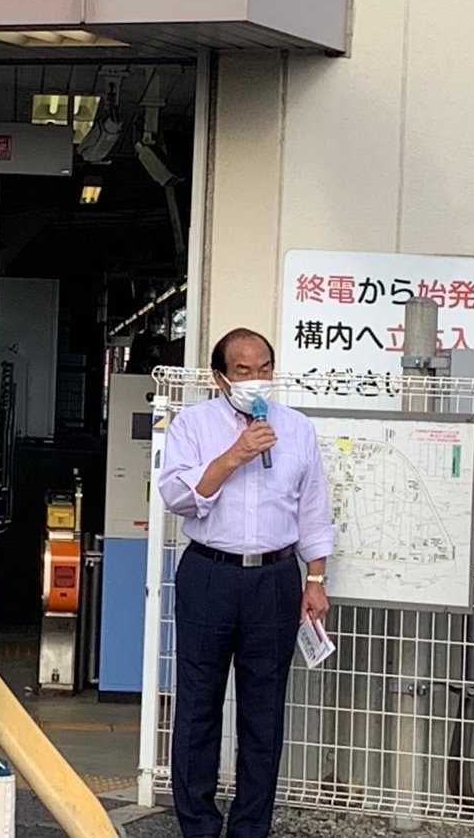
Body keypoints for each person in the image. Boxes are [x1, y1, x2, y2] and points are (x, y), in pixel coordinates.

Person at [157, 328, 334, 838]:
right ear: (220, 378)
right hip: (209, 571)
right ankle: (197, 825)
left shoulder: (297, 428)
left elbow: (314, 508)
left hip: (275, 577)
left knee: (264, 711)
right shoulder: (193, 424)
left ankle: (250, 827)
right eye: (243, 371)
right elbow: (177, 496)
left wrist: (315, 577)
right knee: (198, 704)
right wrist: (235, 454)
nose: (256, 380)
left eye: (264, 369)